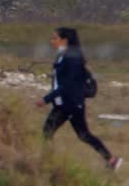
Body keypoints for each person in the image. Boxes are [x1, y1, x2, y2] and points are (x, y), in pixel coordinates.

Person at [37, 27, 122, 171]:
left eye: (55, 38)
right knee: (47, 132)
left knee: (83, 134)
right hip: (62, 104)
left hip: (72, 103)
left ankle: (112, 160)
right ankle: (47, 164)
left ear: (64, 40)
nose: (51, 42)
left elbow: (67, 85)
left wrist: (46, 99)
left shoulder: (72, 58)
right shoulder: (62, 56)